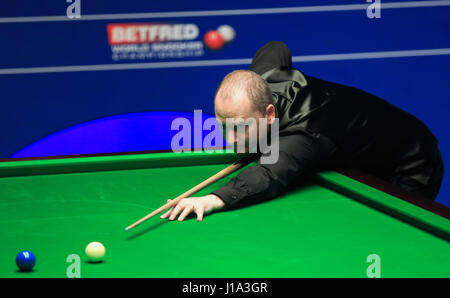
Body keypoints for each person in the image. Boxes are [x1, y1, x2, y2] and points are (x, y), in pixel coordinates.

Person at [160, 41, 444, 222]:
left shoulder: (303, 134)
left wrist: (212, 199)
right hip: (359, 145)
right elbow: (275, 48)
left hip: (411, 160)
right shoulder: (265, 76)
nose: (231, 139)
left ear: (269, 114)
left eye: (241, 127)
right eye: (224, 126)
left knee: (390, 234)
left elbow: (268, 174)